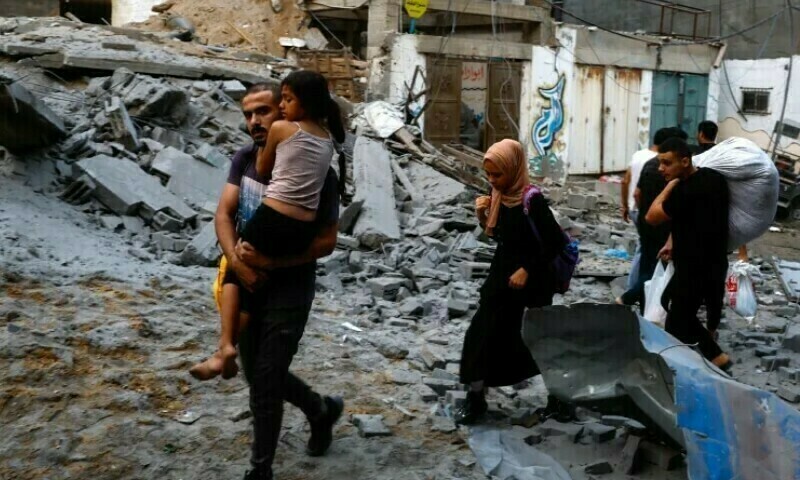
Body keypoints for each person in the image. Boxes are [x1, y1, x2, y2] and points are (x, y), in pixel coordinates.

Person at [455, 139, 566, 425]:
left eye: (497, 174)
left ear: (514, 170)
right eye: (488, 174)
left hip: (534, 281)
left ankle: (559, 400)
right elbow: (504, 237)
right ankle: (476, 397)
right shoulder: (499, 194)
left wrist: (527, 269)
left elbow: (555, 241)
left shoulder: (532, 199)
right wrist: (483, 216)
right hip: (502, 276)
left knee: (538, 340)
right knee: (482, 332)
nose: (492, 180)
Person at [645, 137, 732, 369]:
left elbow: (651, 216)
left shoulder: (683, 191)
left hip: (692, 265)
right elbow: (693, 217)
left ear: (685, 161)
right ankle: (701, 352)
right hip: (715, 260)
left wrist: (670, 185)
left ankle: (717, 359)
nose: (661, 168)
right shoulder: (714, 178)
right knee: (684, 309)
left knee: (678, 319)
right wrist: (671, 241)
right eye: (660, 162)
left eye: (667, 163)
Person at [617, 127, 684, 311]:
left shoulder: (647, 162)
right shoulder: (670, 172)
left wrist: (639, 212)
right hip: (662, 225)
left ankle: (642, 304)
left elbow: (635, 192)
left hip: (645, 219)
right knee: (657, 267)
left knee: (646, 260)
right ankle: (628, 298)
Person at [620, 142, 659, 292]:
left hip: (634, 208)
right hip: (646, 211)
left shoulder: (638, 154)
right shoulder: (659, 160)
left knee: (643, 247)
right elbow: (637, 192)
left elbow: (625, 181)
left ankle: (636, 288)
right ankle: (635, 289)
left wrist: (625, 205)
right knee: (646, 249)